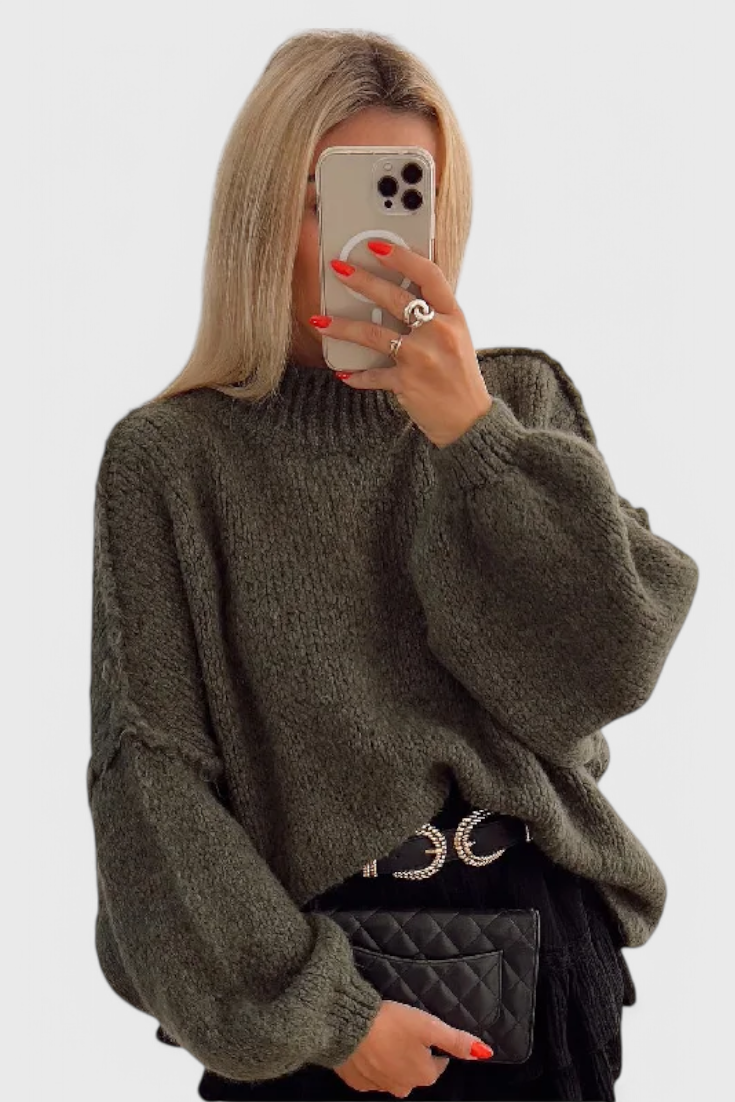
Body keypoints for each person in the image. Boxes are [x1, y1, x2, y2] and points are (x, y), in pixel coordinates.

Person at [87, 28, 699, 1102]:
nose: (365, 246)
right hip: (315, 996)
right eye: (327, 200)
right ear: (259, 215)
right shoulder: (172, 460)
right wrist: (332, 1018)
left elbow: (609, 666)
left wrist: (474, 439)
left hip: (545, 966)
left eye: (402, 199)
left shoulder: (515, 406)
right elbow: (152, 785)